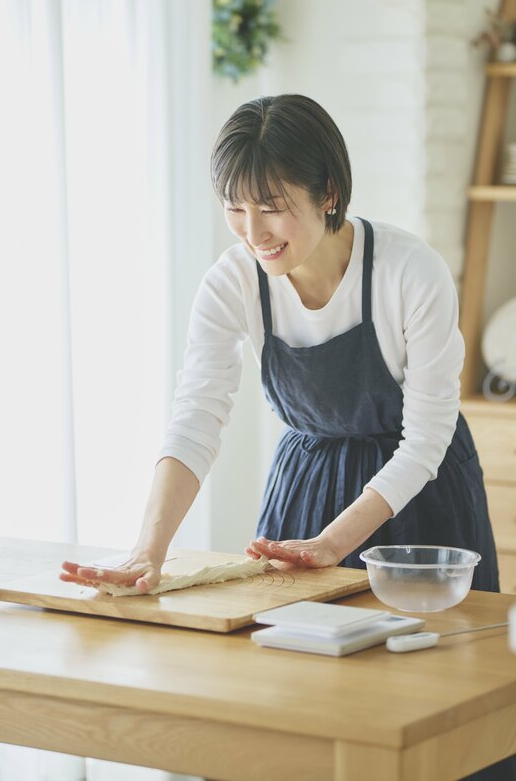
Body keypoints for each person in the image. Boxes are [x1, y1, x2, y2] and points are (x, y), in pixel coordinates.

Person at [61, 93, 513, 780]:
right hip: (305, 492)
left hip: (420, 499)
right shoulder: (231, 283)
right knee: (293, 715)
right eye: (235, 208)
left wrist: (336, 544)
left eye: (271, 206)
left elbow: (424, 440)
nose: (252, 231)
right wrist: (146, 551)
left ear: (328, 192)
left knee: (434, 713)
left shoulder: (407, 271)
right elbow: (196, 416)